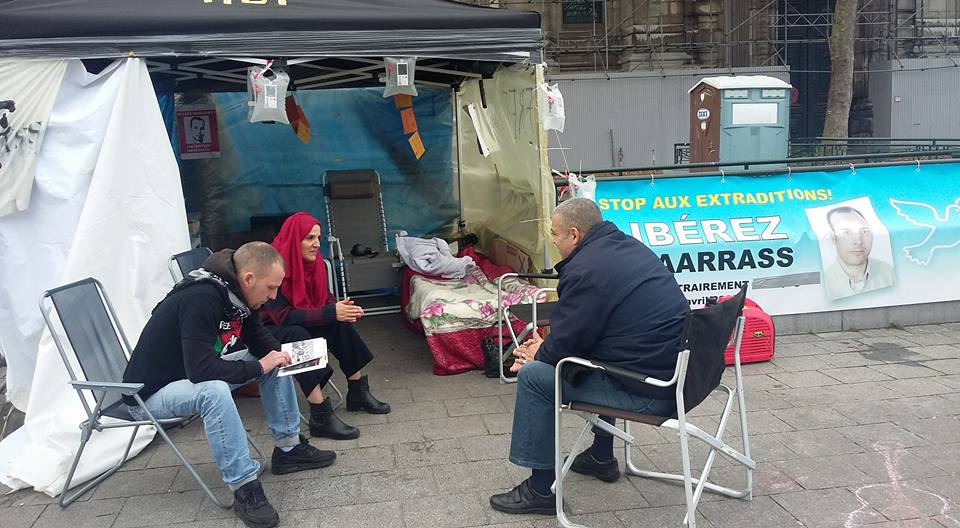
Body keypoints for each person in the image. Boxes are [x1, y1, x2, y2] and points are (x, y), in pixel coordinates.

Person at [488, 198, 689, 515]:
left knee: (534, 377)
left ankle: (542, 491)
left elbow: (567, 348)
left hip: (648, 389)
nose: (552, 240)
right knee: (575, 357)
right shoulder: (627, 247)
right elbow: (583, 336)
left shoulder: (586, 270)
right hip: (675, 375)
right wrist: (545, 350)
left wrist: (536, 354)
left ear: (574, 234)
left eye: (554, 234)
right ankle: (601, 456)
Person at [122, 242, 336, 528]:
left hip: (186, 376)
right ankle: (244, 487)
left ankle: (289, 449)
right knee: (215, 390)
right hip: (147, 395)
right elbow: (201, 371)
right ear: (248, 279)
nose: (273, 297)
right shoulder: (201, 297)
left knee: (273, 361)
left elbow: (257, 337)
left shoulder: (235, 293)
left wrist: (276, 356)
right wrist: (259, 366)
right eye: (270, 288)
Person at [261, 212, 390, 441]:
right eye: (309, 238)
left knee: (338, 323)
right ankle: (320, 415)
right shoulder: (274, 265)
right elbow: (282, 316)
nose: (315, 244)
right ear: (294, 238)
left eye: (318, 238)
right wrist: (330, 311)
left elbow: (323, 298)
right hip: (268, 331)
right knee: (297, 334)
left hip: (296, 321)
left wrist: (339, 308)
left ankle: (358, 391)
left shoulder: (314, 263)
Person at [821, 205, 895, 300]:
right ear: (833, 238)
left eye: (864, 231)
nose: (858, 241)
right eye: (846, 232)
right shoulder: (824, 281)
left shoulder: (888, 272)